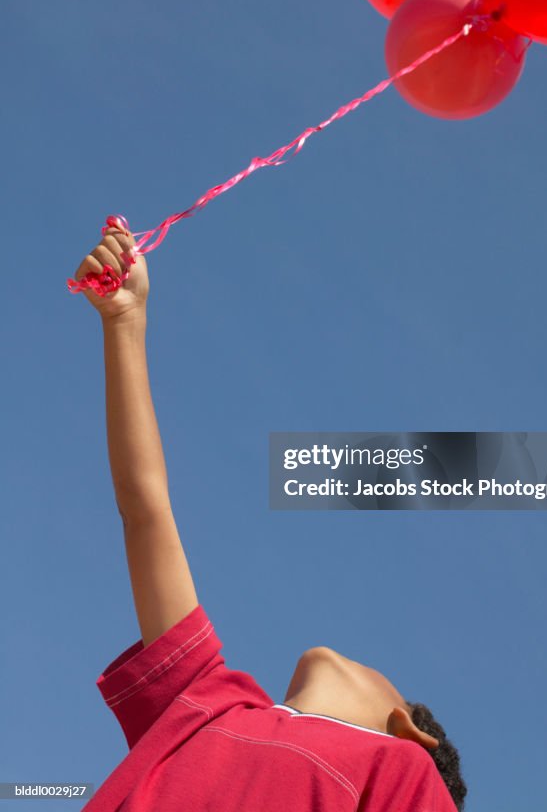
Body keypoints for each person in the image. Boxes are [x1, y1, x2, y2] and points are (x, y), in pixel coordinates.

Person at [74, 220, 467, 812]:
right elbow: (144, 508)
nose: (348, 654)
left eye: (381, 673)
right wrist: (125, 320)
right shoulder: (209, 702)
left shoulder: (405, 769)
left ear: (408, 726)